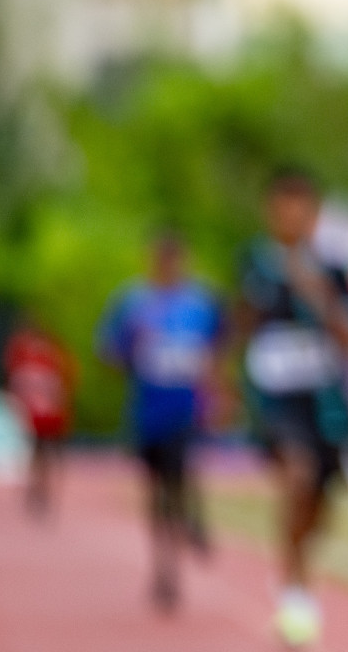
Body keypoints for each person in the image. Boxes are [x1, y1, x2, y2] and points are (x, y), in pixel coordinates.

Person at [236, 167, 348, 647]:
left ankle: (298, 558)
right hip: (275, 394)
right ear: (271, 213)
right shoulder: (255, 264)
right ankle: (294, 584)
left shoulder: (334, 269)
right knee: (298, 475)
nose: (293, 218)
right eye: (283, 208)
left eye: (302, 208)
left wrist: (318, 294)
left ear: (315, 213)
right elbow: (243, 322)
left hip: (325, 397)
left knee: (323, 499)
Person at [98, 229, 225, 612]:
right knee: (156, 491)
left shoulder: (202, 302)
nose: (168, 265)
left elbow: (219, 345)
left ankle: (192, 520)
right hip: (147, 410)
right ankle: (164, 567)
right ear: (152, 259)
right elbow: (108, 350)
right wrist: (132, 354)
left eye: (175, 259)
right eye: (162, 258)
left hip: (187, 407)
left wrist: (217, 388)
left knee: (181, 474)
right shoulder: (132, 302)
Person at [4, 319, 73, 519]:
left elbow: (60, 387)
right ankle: (37, 487)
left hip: (49, 415)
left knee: (46, 454)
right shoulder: (27, 358)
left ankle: (44, 488)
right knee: (36, 453)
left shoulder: (49, 359)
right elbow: (18, 385)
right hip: (34, 414)